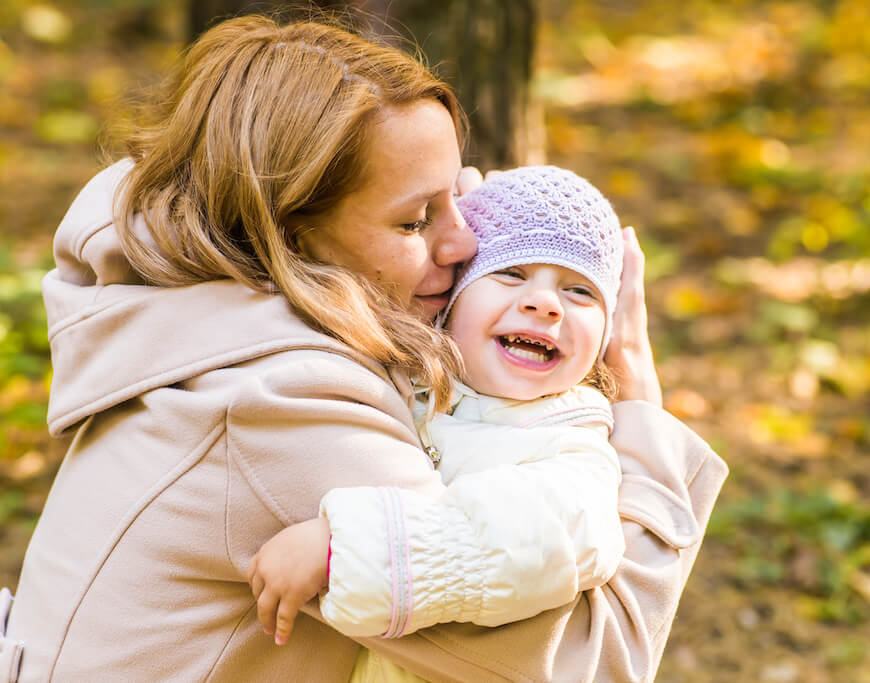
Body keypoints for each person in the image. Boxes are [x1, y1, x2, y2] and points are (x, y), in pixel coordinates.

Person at [3, 14, 727, 683]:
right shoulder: (283, 406)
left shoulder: (201, 303)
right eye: (418, 220)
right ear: (293, 232)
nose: (466, 243)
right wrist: (641, 415)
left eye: (458, 200)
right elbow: (592, 660)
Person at [248, 167, 696, 683]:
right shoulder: (408, 384)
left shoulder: (574, 447)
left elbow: (527, 540)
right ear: (450, 301)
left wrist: (341, 547)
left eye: (579, 291)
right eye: (509, 273)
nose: (544, 303)